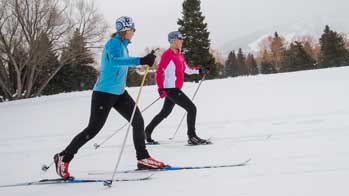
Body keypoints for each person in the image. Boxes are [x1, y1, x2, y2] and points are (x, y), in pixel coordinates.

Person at [54, 16, 168, 180]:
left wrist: (143, 60)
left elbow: (122, 62)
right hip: (104, 93)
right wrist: (141, 60)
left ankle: (143, 158)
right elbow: (116, 61)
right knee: (93, 129)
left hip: (119, 92)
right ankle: (64, 157)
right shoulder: (113, 44)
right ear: (126, 30)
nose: (134, 32)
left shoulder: (123, 45)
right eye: (132, 29)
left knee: (137, 120)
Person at [145, 31, 209, 145]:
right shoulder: (167, 55)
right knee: (191, 108)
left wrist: (199, 70)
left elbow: (186, 69)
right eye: (180, 38)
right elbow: (160, 72)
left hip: (175, 89)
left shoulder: (179, 54)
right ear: (173, 41)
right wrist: (161, 88)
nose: (182, 40)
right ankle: (192, 136)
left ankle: (147, 132)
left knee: (165, 112)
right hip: (171, 89)